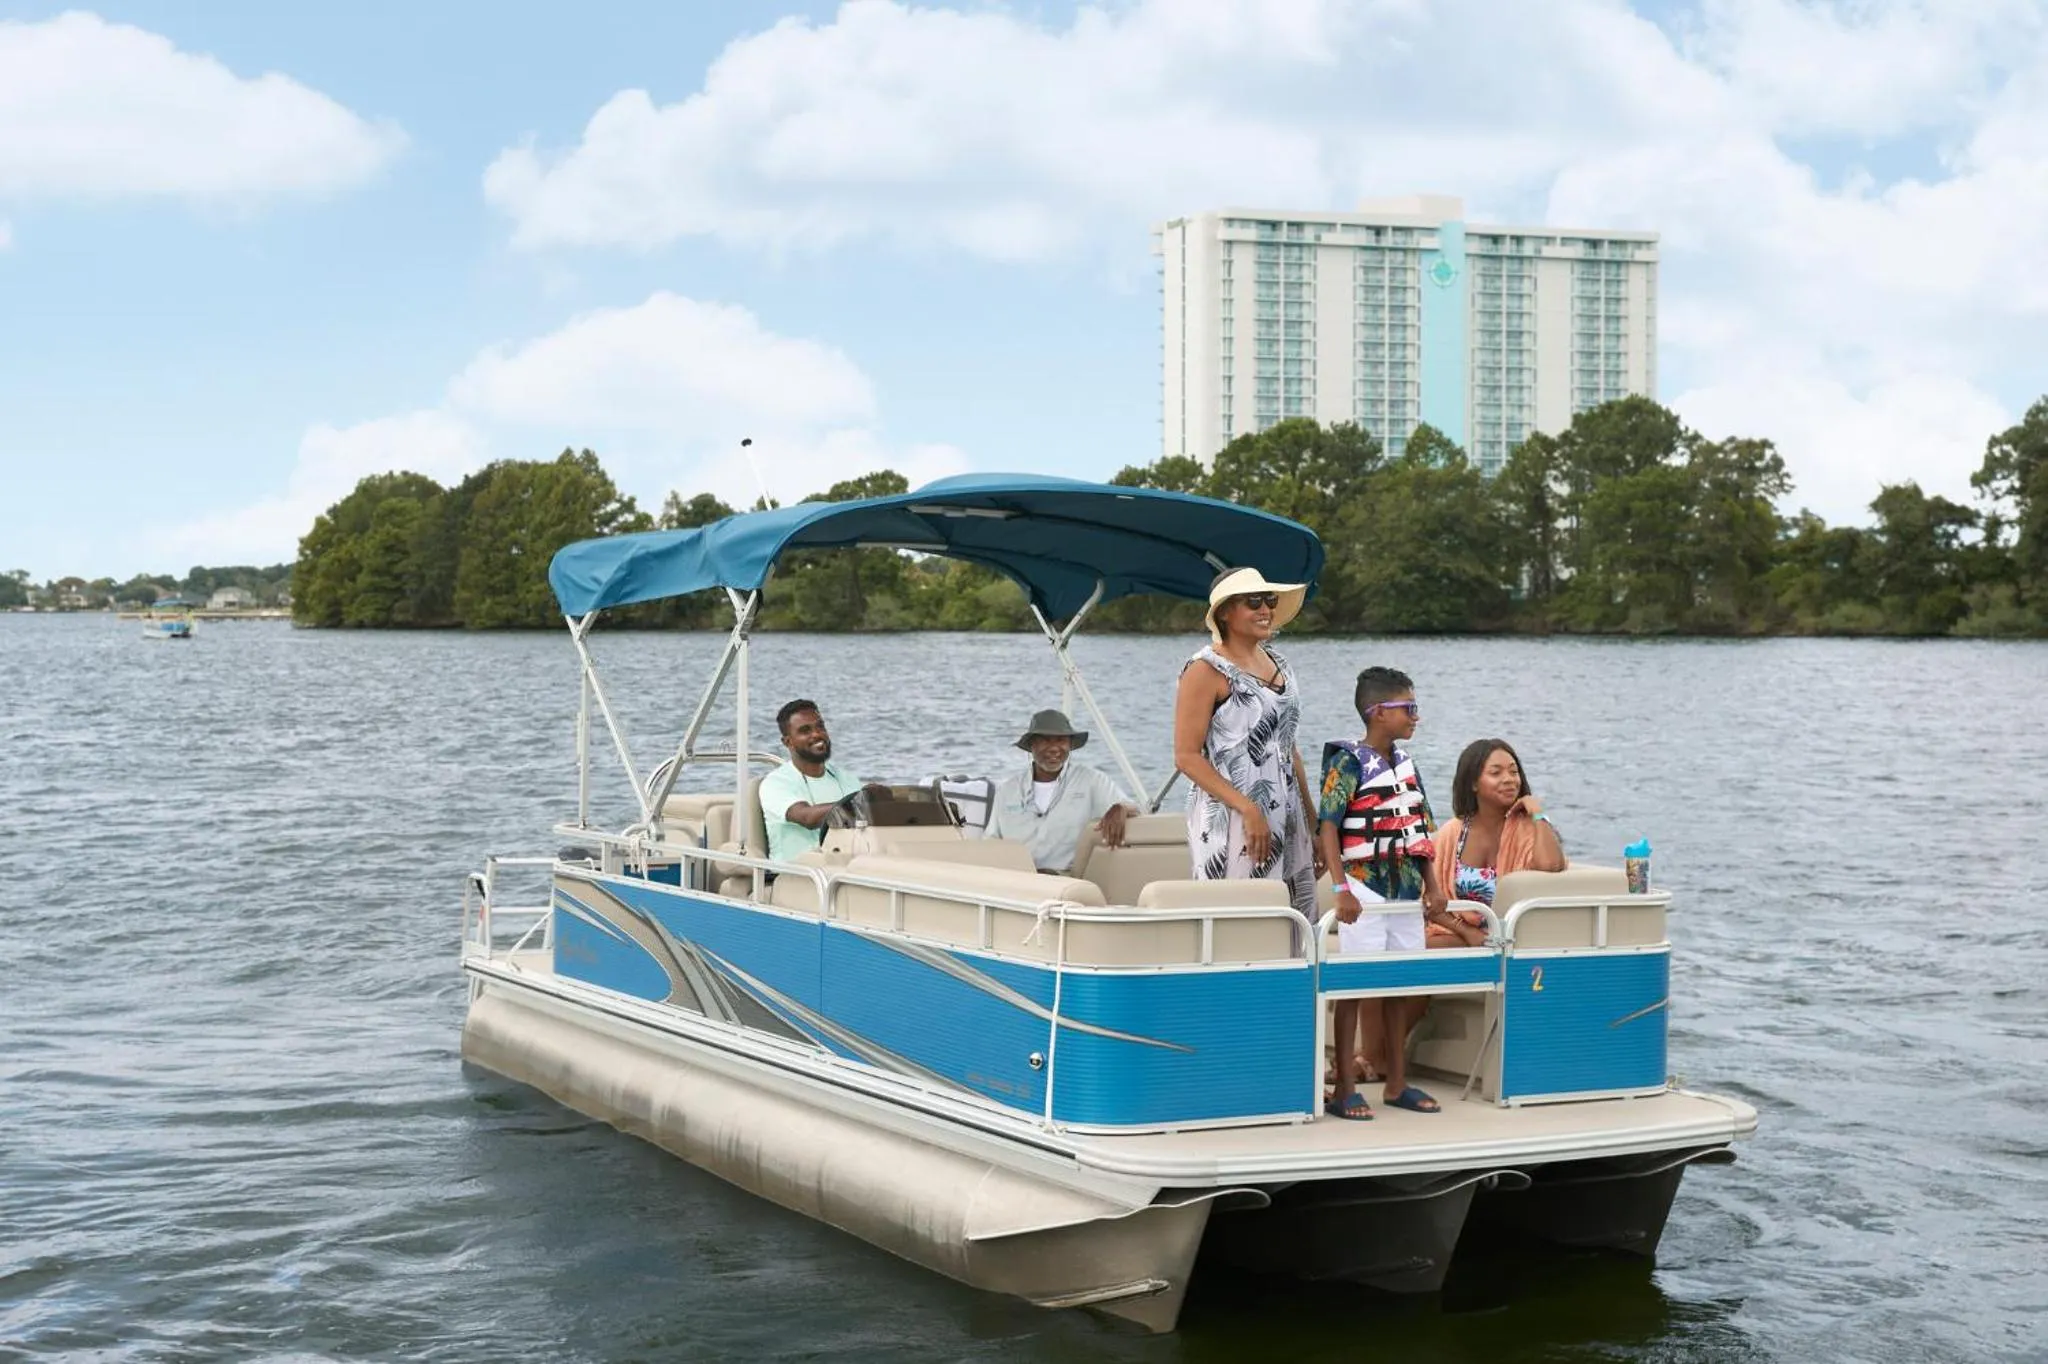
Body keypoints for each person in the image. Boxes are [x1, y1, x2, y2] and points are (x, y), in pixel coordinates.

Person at [1316, 666, 1447, 1120]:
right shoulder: (1347, 762)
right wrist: (1340, 888)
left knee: (1401, 985)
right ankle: (1344, 1089)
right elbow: (1327, 828)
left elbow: (1420, 830)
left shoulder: (1406, 766)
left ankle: (1397, 1082)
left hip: (1406, 891)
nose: (1416, 717)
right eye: (1407, 708)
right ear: (1377, 712)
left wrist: (1433, 885)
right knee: (1354, 987)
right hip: (1363, 888)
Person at [1172, 568, 1320, 918]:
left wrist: (1312, 823)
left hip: (1287, 808)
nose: (1266, 609)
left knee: (1296, 918)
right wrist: (1249, 809)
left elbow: (1289, 747)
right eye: (1253, 602)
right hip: (1233, 813)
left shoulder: (1280, 663)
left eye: (1269, 601)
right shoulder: (1205, 669)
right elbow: (1186, 757)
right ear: (1225, 611)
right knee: (1242, 918)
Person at [1427, 738, 1568, 947]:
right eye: (1496, 773)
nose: (1509, 779)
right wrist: (1468, 933)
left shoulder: (1529, 829)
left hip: (1514, 936)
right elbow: (1431, 901)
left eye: (1513, 772)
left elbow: (1550, 866)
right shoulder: (1452, 833)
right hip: (1460, 934)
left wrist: (1537, 813)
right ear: (1474, 783)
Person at [982, 709, 1137, 874]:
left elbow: (1136, 808)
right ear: (1032, 745)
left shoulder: (1092, 781)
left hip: (1067, 880)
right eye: (1046, 741)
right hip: (1017, 879)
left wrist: (1121, 808)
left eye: (1061, 740)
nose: (1054, 748)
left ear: (1070, 745)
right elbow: (991, 841)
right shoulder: (1007, 790)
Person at [757, 699, 865, 863]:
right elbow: (807, 817)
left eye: (820, 726)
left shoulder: (846, 778)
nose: (817, 734)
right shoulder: (775, 783)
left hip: (844, 870)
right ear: (788, 742)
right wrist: (863, 804)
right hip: (796, 877)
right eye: (805, 730)